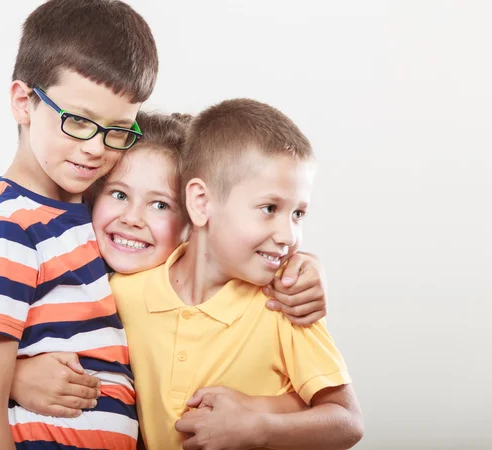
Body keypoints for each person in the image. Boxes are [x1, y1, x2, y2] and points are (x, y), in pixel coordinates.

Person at [0, 0, 159, 448]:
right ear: (24, 103)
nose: (97, 148)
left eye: (118, 129)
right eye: (79, 122)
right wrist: (9, 381)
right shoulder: (9, 229)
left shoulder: (98, 210)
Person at [110, 99, 364, 449]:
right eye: (269, 208)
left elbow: (347, 422)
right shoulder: (123, 294)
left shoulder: (285, 305)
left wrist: (257, 427)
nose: (289, 235)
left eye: (298, 214)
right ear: (200, 203)